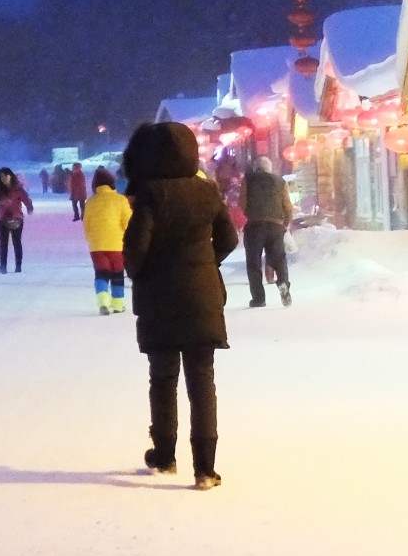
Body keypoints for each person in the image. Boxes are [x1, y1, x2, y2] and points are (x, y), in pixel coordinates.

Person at [123, 122, 237, 489]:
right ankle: (205, 468)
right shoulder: (208, 192)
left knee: (163, 378)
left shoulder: (151, 195)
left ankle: (165, 455)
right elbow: (230, 238)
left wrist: (146, 272)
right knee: (203, 380)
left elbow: (134, 253)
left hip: (160, 299)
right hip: (203, 296)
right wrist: (206, 264)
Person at [240, 155, 293, 308]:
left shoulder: (248, 180)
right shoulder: (280, 182)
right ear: (270, 168)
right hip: (276, 226)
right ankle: (283, 284)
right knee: (279, 259)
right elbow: (288, 207)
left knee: (253, 262)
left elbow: (242, 202)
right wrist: (285, 223)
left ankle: (258, 298)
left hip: (255, 226)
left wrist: (251, 213)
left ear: (256, 168)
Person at [82, 167, 131, 314]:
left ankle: (103, 302)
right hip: (117, 244)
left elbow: (87, 224)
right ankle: (117, 304)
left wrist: (91, 239)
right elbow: (128, 223)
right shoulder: (120, 200)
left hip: (97, 246)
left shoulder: (90, 202)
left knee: (101, 273)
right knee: (117, 274)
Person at [0, 166, 32, 272]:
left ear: (10, 176)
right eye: (1, 177)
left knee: (16, 242)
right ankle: (3, 266)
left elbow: (26, 199)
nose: (3, 179)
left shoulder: (18, 188)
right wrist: (1, 202)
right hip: (3, 218)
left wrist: (29, 207)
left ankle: (18, 266)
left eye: (5, 176)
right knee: (3, 242)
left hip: (16, 217)